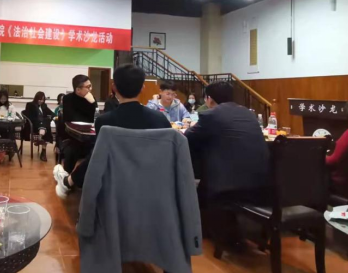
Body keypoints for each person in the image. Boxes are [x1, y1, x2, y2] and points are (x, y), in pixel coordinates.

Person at [53, 64, 171, 198]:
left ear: (114, 87)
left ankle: (68, 181)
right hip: (152, 183)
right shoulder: (159, 119)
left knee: (95, 154)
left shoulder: (104, 122)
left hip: (115, 183)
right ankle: (68, 181)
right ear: (142, 88)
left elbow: (99, 158)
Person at [184, 81, 269, 203]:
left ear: (209, 99)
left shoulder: (212, 114)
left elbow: (188, 136)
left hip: (228, 185)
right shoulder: (248, 113)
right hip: (260, 182)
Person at [24, 91, 54, 161]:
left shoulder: (44, 106)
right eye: (40, 99)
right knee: (46, 124)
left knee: (46, 122)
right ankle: (41, 138)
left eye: (43, 99)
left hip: (43, 125)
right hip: (34, 125)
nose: (41, 101)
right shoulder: (30, 105)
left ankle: (42, 148)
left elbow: (52, 113)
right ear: (36, 98)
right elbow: (29, 117)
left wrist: (52, 117)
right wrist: (40, 121)